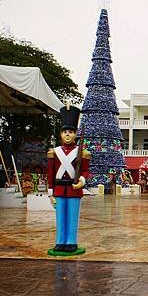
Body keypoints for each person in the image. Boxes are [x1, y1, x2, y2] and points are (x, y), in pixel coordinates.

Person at [47, 105, 90, 256]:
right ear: (60, 134)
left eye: (70, 132)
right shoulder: (54, 152)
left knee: (72, 216)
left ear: (76, 134)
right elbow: (50, 173)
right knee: (60, 216)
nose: (67, 135)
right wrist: (50, 192)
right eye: (65, 132)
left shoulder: (82, 153)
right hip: (59, 189)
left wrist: (82, 181)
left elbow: (85, 170)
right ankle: (60, 242)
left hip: (74, 189)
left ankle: (71, 242)